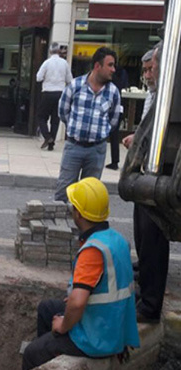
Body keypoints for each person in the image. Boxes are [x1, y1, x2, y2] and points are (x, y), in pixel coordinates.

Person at [22, 177, 140, 370]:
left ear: (78, 213)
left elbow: (77, 303)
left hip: (98, 337)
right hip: (114, 324)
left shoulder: (92, 250)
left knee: (31, 354)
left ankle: (47, 351)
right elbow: (107, 287)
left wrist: (63, 326)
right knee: (46, 308)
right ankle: (51, 351)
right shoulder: (116, 240)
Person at [121, 43, 170, 323]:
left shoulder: (167, 97)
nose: (148, 75)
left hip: (158, 176)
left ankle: (151, 305)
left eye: (152, 68)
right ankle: (145, 289)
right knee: (143, 233)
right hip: (146, 173)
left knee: (153, 237)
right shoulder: (154, 95)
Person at [54, 47, 121, 202]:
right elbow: (63, 112)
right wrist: (74, 128)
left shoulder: (113, 92)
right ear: (98, 66)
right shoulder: (75, 86)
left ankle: (83, 226)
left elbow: (114, 120)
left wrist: (100, 133)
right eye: (110, 65)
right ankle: (58, 224)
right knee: (64, 190)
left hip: (97, 150)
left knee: (90, 195)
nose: (113, 69)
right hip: (74, 147)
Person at [35, 42, 73, 151]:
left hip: (47, 92)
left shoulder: (47, 63)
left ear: (50, 51)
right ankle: (51, 144)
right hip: (60, 93)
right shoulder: (64, 63)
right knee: (55, 119)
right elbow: (69, 80)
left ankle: (47, 137)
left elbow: (38, 77)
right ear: (59, 51)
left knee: (41, 116)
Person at [105, 67, 129, 170]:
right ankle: (115, 160)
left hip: (112, 107)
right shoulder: (123, 76)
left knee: (111, 135)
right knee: (115, 136)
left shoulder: (111, 80)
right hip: (120, 108)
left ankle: (114, 161)